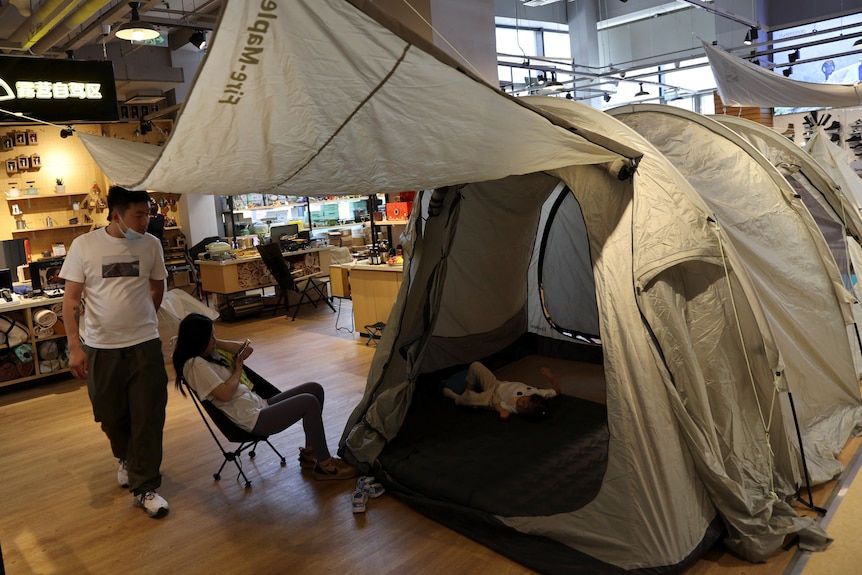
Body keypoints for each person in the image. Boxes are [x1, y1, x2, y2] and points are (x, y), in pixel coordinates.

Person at [60, 186, 170, 518]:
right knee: (110, 415)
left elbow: (157, 285)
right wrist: (75, 348)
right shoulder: (85, 246)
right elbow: (70, 300)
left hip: (145, 345)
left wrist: (144, 317)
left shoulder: (151, 245)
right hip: (101, 348)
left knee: (149, 416)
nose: (145, 221)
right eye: (139, 215)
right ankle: (125, 458)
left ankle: (146, 486)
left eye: (148, 214)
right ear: (116, 215)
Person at [172, 312, 358, 481]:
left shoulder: (207, 353)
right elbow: (226, 395)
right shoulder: (195, 365)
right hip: (251, 419)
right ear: (198, 341)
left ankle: (310, 454)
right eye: (210, 337)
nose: (214, 340)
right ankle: (325, 465)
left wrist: (215, 341)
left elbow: (246, 351)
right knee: (308, 402)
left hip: (259, 404)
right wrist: (237, 370)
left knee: (314, 389)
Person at [442, 361, 561, 420]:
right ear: (531, 396)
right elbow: (557, 391)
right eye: (524, 402)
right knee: (475, 365)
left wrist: (500, 412)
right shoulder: (540, 394)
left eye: (523, 409)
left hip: (493, 398)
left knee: (474, 399)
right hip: (495, 383)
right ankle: (468, 390)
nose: (521, 404)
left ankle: (456, 398)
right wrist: (550, 376)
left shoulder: (514, 408)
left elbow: (497, 405)